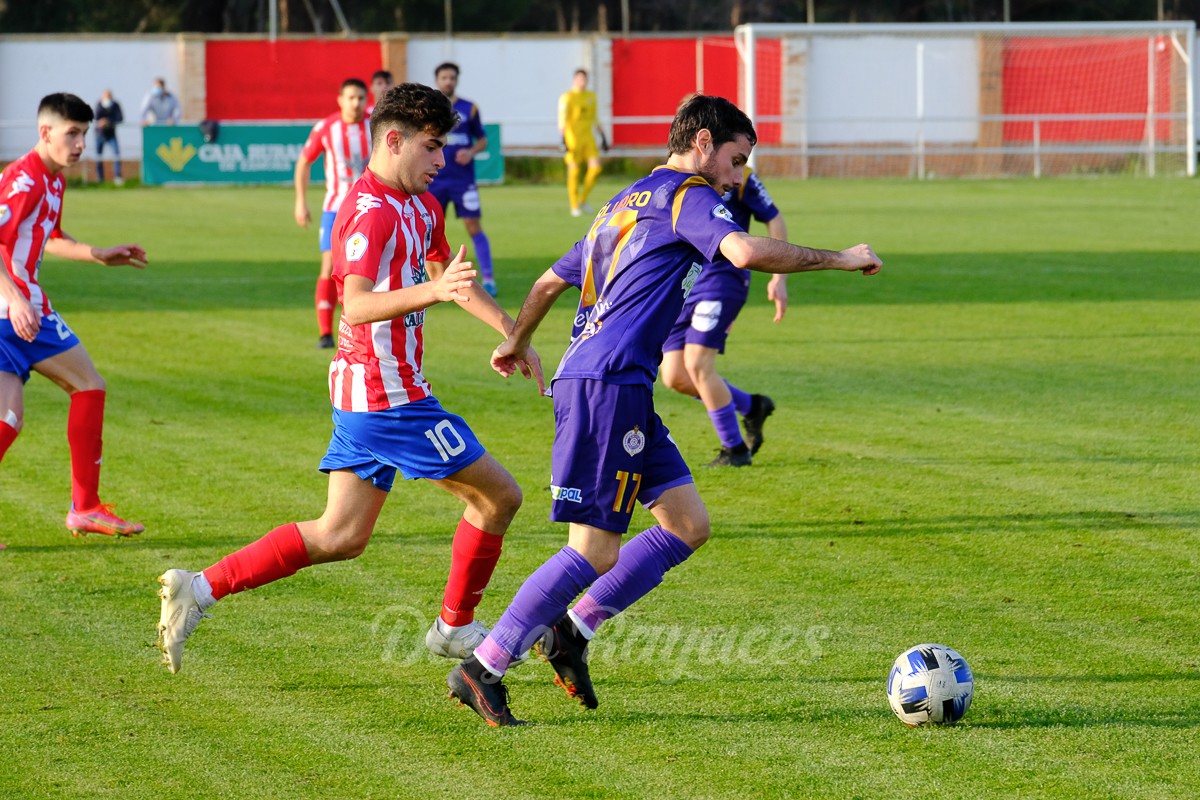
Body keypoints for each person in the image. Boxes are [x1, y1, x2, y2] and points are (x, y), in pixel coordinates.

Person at [446, 94, 881, 726]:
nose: (737, 177)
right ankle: (483, 667)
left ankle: (571, 631)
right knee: (593, 551)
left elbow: (548, 281)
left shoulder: (623, 201)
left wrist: (516, 339)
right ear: (702, 143)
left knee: (686, 525)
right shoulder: (688, 195)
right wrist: (841, 258)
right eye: (736, 159)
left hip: (616, 383)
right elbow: (745, 253)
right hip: (607, 386)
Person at [156, 82, 544, 678]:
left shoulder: (423, 205)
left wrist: (510, 332)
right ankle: (454, 627)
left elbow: (448, 275)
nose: (442, 160)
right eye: (432, 147)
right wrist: (434, 291)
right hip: (387, 396)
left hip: (373, 392)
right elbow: (357, 305)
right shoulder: (367, 212)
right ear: (394, 141)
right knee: (499, 496)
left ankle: (198, 588)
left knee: (340, 535)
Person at [0, 93, 148, 537]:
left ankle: (85, 507)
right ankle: (84, 506)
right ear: (45, 132)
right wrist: (15, 298)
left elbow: (52, 237)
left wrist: (98, 253)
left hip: (23, 308)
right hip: (13, 310)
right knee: (74, 391)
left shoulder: (53, 181)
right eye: (73, 133)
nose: (81, 143)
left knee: (24, 412)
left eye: (84, 133)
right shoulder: (24, 179)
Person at [660, 166, 789, 467]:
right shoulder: (676, 175)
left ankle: (735, 450)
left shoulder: (739, 174)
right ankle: (752, 406)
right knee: (675, 376)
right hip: (686, 281)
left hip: (723, 280)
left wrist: (779, 278)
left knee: (698, 364)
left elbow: (774, 218)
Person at [294, 78, 370, 349]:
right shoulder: (327, 128)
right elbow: (304, 162)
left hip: (369, 209)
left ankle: (365, 328)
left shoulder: (377, 123)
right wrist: (300, 201)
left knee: (369, 267)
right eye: (351, 98)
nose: (356, 103)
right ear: (340, 100)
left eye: (360, 98)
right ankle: (325, 333)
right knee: (329, 266)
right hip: (335, 209)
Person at [429, 63, 497, 297]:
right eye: (444, 77)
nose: (448, 81)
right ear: (437, 80)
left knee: (474, 227)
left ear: (456, 80)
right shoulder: (430, 109)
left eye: (452, 77)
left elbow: (483, 140)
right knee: (429, 231)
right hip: (434, 181)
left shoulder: (470, 108)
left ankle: (489, 279)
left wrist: (470, 152)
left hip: (463, 181)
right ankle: (429, 279)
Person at [558, 69, 607, 218]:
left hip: (588, 138)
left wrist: (603, 136)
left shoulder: (591, 96)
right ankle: (574, 205)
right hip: (573, 139)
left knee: (595, 168)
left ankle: (582, 199)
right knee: (574, 171)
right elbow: (562, 119)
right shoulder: (567, 97)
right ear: (574, 80)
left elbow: (594, 118)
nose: (582, 82)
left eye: (584, 79)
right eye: (579, 79)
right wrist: (563, 139)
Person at [93, 89, 124, 185]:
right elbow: (95, 117)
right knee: (98, 156)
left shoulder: (115, 105)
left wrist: (108, 121)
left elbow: (120, 118)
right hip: (99, 134)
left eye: (109, 97)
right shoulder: (99, 105)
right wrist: (101, 122)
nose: (107, 99)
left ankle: (117, 176)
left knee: (116, 154)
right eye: (106, 97)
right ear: (102, 97)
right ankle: (100, 178)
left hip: (111, 134)